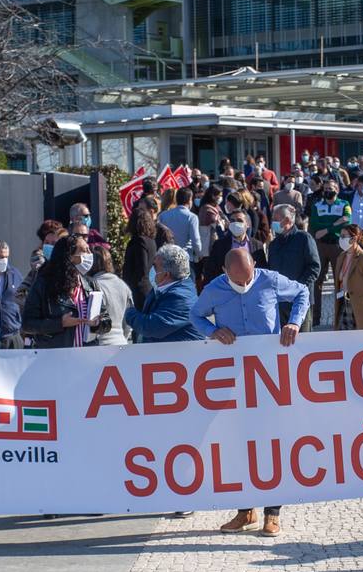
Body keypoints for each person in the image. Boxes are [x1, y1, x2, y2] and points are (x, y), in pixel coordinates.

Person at [191, 249, 308, 537]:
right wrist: (212, 331)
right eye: (237, 283)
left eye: (248, 280)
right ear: (224, 271)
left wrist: (294, 321)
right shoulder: (214, 290)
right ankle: (245, 511)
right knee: (239, 443)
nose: (244, 287)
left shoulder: (269, 280)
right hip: (232, 378)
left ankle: (273, 512)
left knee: (272, 443)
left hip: (270, 377)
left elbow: (303, 292)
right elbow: (195, 315)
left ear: (255, 266)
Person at [21, 235, 103, 349]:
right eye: (85, 250)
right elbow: (27, 324)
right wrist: (60, 323)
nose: (90, 254)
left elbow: (106, 319)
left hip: (87, 357)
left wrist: (99, 323)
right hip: (56, 358)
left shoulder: (90, 284)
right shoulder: (44, 284)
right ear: (70, 256)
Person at [125, 245, 204, 343]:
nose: (152, 270)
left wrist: (128, 312)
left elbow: (151, 327)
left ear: (166, 274)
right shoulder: (161, 289)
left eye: (155, 266)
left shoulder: (181, 298)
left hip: (180, 356)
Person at [267, 204, 320, 328]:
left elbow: (314, 267)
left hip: (300, 301)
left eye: (275, 219)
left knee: (303, 343)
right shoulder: (274, 244)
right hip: (280, 303)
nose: (272, 222)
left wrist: (297, 288)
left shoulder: (304, 238)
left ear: (287, 220)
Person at [307, 180, 352, 328]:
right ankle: (315, 318)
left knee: (340, 282)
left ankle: (340, 317)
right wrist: (335, 224)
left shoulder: (344, 204)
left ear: (337, 189)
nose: (328, 191)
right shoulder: (316, 205)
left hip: (338, 246)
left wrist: (327, 229)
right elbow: (314, 224)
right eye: (325, 189)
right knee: (316, 282)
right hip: (320, 246)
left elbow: (347, 221)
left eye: (330, 188)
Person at [87, 245, 133, 346]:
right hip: (121, 342)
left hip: (100, 345)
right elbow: (129, 321)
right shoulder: (123, 285)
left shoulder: (91, 286)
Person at [122, 208, 161, 309]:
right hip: (148, 287)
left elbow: (141, 268)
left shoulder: (139, 241)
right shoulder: (151, 241)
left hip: (138, 289)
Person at [159, 187, 202, 262]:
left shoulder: (163, 215)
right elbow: (196, 240)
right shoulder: (192, 217)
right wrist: (199, 253)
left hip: (166, 256)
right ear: (189, 200)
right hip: (184, 256)